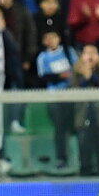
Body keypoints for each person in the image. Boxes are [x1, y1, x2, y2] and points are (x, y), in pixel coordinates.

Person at [70, 44, 99, 176]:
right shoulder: (76, 73)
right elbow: (73, 91)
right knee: (84, 147)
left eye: (93, 53)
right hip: (83, 117)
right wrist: (85, 77)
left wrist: (91, 76)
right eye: (86, 53)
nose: (90, 56)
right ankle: (85, 172)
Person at [37, 30, 78, 168]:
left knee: (76, 126)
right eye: (47, 37)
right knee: (60, 128)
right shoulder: (43, 57)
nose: (51, 40)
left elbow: (77, 69)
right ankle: (62, 158)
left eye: (53, 37)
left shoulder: (68, 52)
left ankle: (80, 160)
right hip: (54, 97)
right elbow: (43, 77)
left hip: (72, 95)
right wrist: (60, 76)